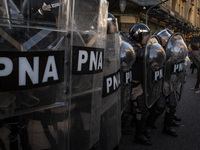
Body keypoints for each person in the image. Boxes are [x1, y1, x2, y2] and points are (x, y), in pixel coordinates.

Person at [146, 29, 186, 139]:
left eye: (166, 37)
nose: (166, 39)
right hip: (158, 84)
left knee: (172, 105)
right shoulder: (155, 50)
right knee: (159, 107)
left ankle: (167, 126)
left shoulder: (171, 50)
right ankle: (148, 126)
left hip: (169, 83)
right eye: (163, 38)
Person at [126, 23, 152, 146]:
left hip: (138, 85)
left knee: (142, 110)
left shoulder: (142, 46)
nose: (148, 37)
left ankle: (139, 135)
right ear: (138, 35)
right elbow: (141, 54)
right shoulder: (130, 47)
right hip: (129, 86)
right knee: (125, 113)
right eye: (145, 35)